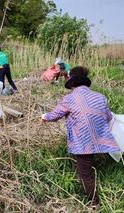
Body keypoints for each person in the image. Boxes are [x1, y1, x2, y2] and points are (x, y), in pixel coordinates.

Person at [41, 66, 119, 209]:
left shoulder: (69, 98)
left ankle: (94, 203)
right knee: (90, 162)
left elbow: (55, 115)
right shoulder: (101, 97)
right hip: (101, 138)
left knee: (85, 173)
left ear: (72, 83)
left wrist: (44, 117)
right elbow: (108, 117)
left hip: (83, 141)